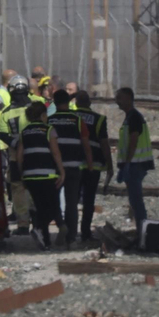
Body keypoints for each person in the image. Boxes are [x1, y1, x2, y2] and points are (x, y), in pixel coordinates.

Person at [13, 102, 64, 249]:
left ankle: (45, 240)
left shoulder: (25, 132)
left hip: (30, 176)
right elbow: (55, 152)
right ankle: (39, 229)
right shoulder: (49, 130)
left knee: (40, 207)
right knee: (51, 207)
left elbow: (19, 156)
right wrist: (61, 171)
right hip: (47, 175)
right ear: (42, 115)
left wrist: (23, 174)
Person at [47, 89, 92, 248]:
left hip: (54, 169)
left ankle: (61, 225)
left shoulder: (49, 121)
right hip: (74, 167)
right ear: (68, 102)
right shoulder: (78, 120)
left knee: (52, 201)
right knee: (72, 202)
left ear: (54, 102)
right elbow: (86, 145)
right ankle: (71, 237)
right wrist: (90, 164)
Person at [115, 87, 155, 232]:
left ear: (128, 99)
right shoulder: (130, 117)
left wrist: (126, 164)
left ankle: (142, 233)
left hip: (135, 165)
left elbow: (133, 140)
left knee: (136, 201)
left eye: (119, 98)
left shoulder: (134, 117)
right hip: (134, 164)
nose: (117, 101)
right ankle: (141, 231)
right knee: (134, 200)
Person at [74, 91, 112, 241]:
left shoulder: (70, 117)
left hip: (74, 164)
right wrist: (109, 165)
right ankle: (85, 233)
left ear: (76, 103)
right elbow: (104, 143)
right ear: (89, 103)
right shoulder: (99, 119)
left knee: (72, 199)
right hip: (94, 166)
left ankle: (71, 231)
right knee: (89, 201)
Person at [0, 77, 35, 229]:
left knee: (18, 188)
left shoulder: (6, 113)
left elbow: (2, 133)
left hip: (14, 158)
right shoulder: (37, 108)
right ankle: (38, 220)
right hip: (36, 155)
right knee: (35, 186)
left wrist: (16, 144)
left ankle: (23, 223)